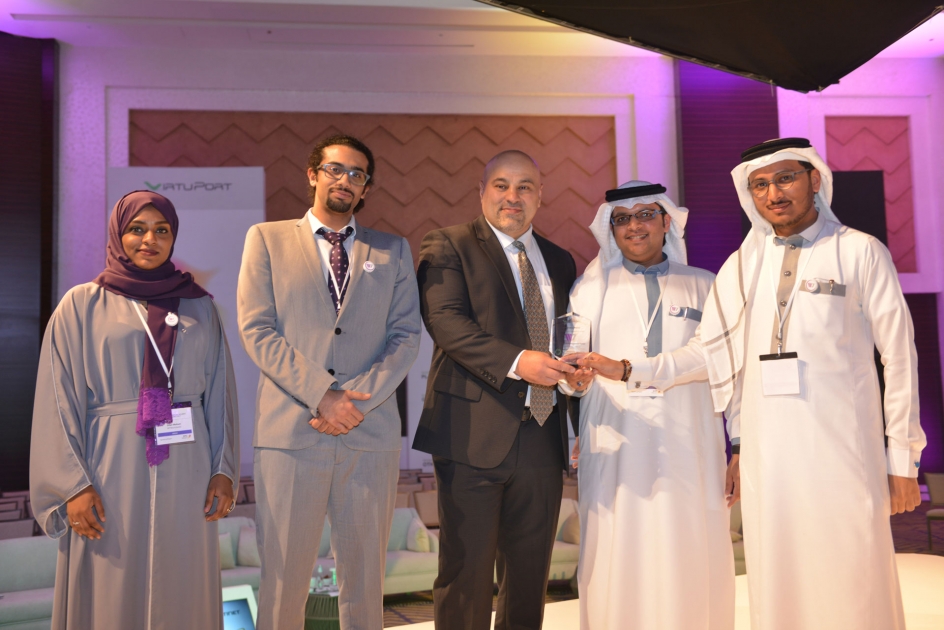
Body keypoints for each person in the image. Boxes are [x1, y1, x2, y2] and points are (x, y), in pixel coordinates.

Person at [610, 138, 926, 629]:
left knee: (852, 570)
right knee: (778, 576)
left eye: (785, 178)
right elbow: (709, 354)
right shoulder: (740, 266)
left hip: (843, 450)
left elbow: (899, 356)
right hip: (768, 455)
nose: (773, 193)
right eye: (760, 185)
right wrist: (630, 369)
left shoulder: (859, 251)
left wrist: (903, 458)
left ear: (814, 180)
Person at [29, 190, 240, 629]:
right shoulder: (81, 304)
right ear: (117, 235)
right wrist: (72, 486)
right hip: (109, 465)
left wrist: (223, 469)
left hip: (188, 467)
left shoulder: (201, 306)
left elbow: (220, 395)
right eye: (137, 229)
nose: (150, 240)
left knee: (182, 579)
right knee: (111, 579)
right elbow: (57, 399)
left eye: (162, 230)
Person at [237, 134, 421, 630]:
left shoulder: (392, 250)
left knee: (365, 584)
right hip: (291, 435)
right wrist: (323, 395)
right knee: (283, 585)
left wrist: (352, 401)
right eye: (335, 169)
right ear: (312, 174)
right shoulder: (266, 239)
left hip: (368, 433)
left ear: (366, 188)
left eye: (357, 174)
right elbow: (257, 330)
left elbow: (406, 337)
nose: (345, 180)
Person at [412, 149, 578, 630]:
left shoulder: (560, 260)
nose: (513, 196)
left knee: (529, 576)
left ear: (540, 195)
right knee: (466, 574)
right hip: (471, 434)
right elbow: (446, 323)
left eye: (525, 187)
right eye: (501, 185)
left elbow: (568, 336)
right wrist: (520, 362)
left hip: (544, 433)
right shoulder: (448, 244)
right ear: (482, 192)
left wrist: (576, 373)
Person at [563, 181, 734, 629]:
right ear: (610, 228)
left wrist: (627, 369)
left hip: (690, 440)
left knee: (690, 544)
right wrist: (574, 380)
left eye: (645, 215)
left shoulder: (705, 285)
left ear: (666, 222)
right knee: (618, 548)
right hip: (616, 440)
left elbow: (713, 359)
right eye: (622, 219)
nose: (634, 226)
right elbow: (571, 362)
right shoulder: (589, 288)